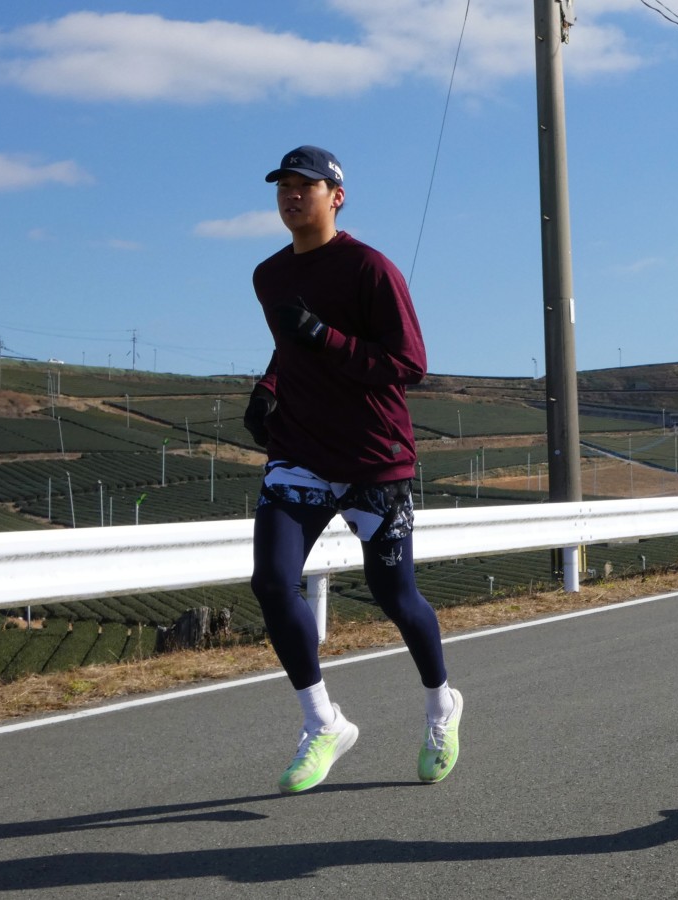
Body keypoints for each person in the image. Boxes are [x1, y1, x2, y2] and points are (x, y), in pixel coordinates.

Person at [243, 145, 463, 793]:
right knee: (271, 581)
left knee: (396, 596)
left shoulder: (370, 269)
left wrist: (323, 338)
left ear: (335, 196)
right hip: (302, 453)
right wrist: (269, 384)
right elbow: (292, 349)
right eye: (282, 186)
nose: (290, 195)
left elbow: (408, 364)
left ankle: (442, 704)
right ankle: (322, 722)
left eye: (303, 186)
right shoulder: (268, 275)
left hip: (375, 458)